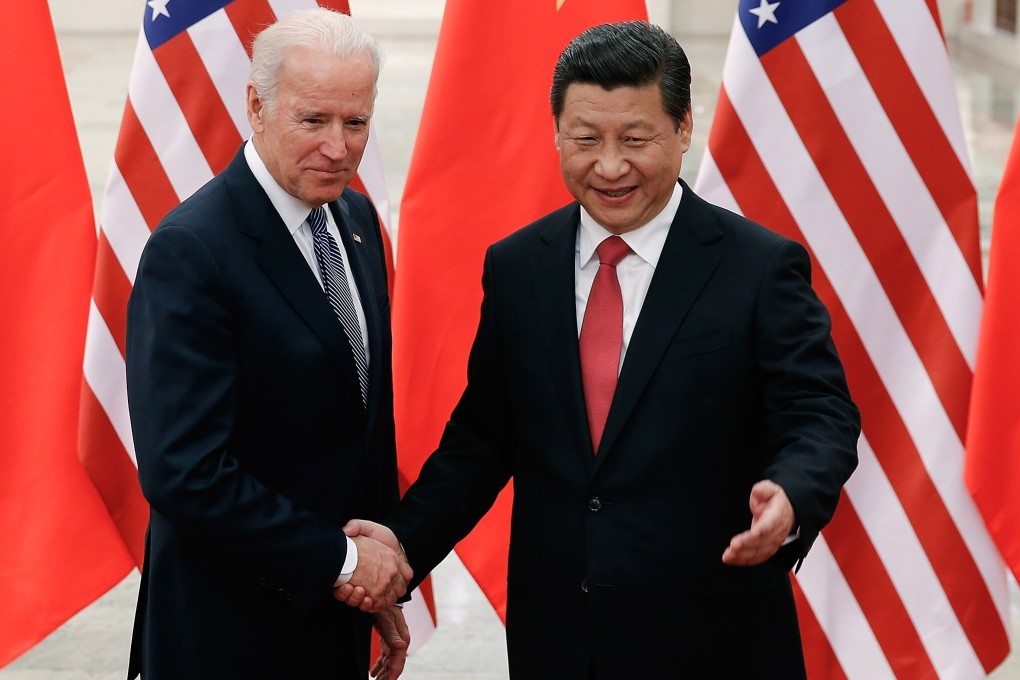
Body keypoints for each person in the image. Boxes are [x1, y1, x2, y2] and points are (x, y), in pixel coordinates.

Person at [341, 20, 861, 679]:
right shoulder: (519, 266)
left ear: (682, 130)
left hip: (713, 639)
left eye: (636, 139)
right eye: (586, 139)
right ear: (557, 134)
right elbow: (483, 440)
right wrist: (402, 542)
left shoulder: (758, 267)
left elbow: (821, 414)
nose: (610, 166)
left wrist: (792, 492)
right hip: (560, 639)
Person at [125, 9, 411, 680]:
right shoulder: (193, 250)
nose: (338, 148)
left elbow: (357, 424)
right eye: (313, 121)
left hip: (331, 623)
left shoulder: (357, 220)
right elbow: (184, 471)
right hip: (226, 639)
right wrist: (343, 564)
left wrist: (376, 586)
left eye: (356, 122)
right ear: (257, 107)